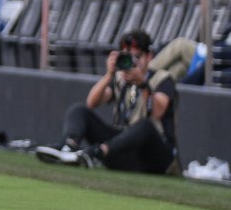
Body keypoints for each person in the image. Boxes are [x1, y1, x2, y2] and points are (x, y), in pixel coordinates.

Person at [35, 30, 178, 173]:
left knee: (146, 126)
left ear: (149, 56)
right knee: (79, 110)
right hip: (123, 150)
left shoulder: (163, 79)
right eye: (128, 57)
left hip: (154, 156)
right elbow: (92, 102)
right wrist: (109, 74)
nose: (132, 62)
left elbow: (157, 113)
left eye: (137, 57)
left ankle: (96, 153)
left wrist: (142, 83)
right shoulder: (120, 78)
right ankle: (68, 147)